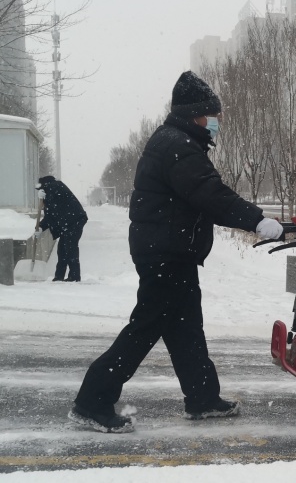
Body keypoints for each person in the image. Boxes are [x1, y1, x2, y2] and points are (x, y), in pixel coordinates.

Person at [68, 71, 284, 433]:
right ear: (195, 114)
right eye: (213, 115)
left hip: (169, 251)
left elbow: (203, 194)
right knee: (145, 328)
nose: (216, 122)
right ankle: (91, 402)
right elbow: (210, 194)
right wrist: (257, 220)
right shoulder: (177, 146)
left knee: (186, 329)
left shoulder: (175, 140)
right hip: (165, 254)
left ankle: (202, 399)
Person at [35, 176, 88, 282]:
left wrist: (46, 195)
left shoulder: (56, 186)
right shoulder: (52, 192)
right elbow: (50, 215)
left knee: (70, 248)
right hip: (68, 223)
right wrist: (40, 227)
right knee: (62, 249)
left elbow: (51, 211)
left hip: (74, 221)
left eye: (41, 188)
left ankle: (74, 277)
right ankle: (59, 276)